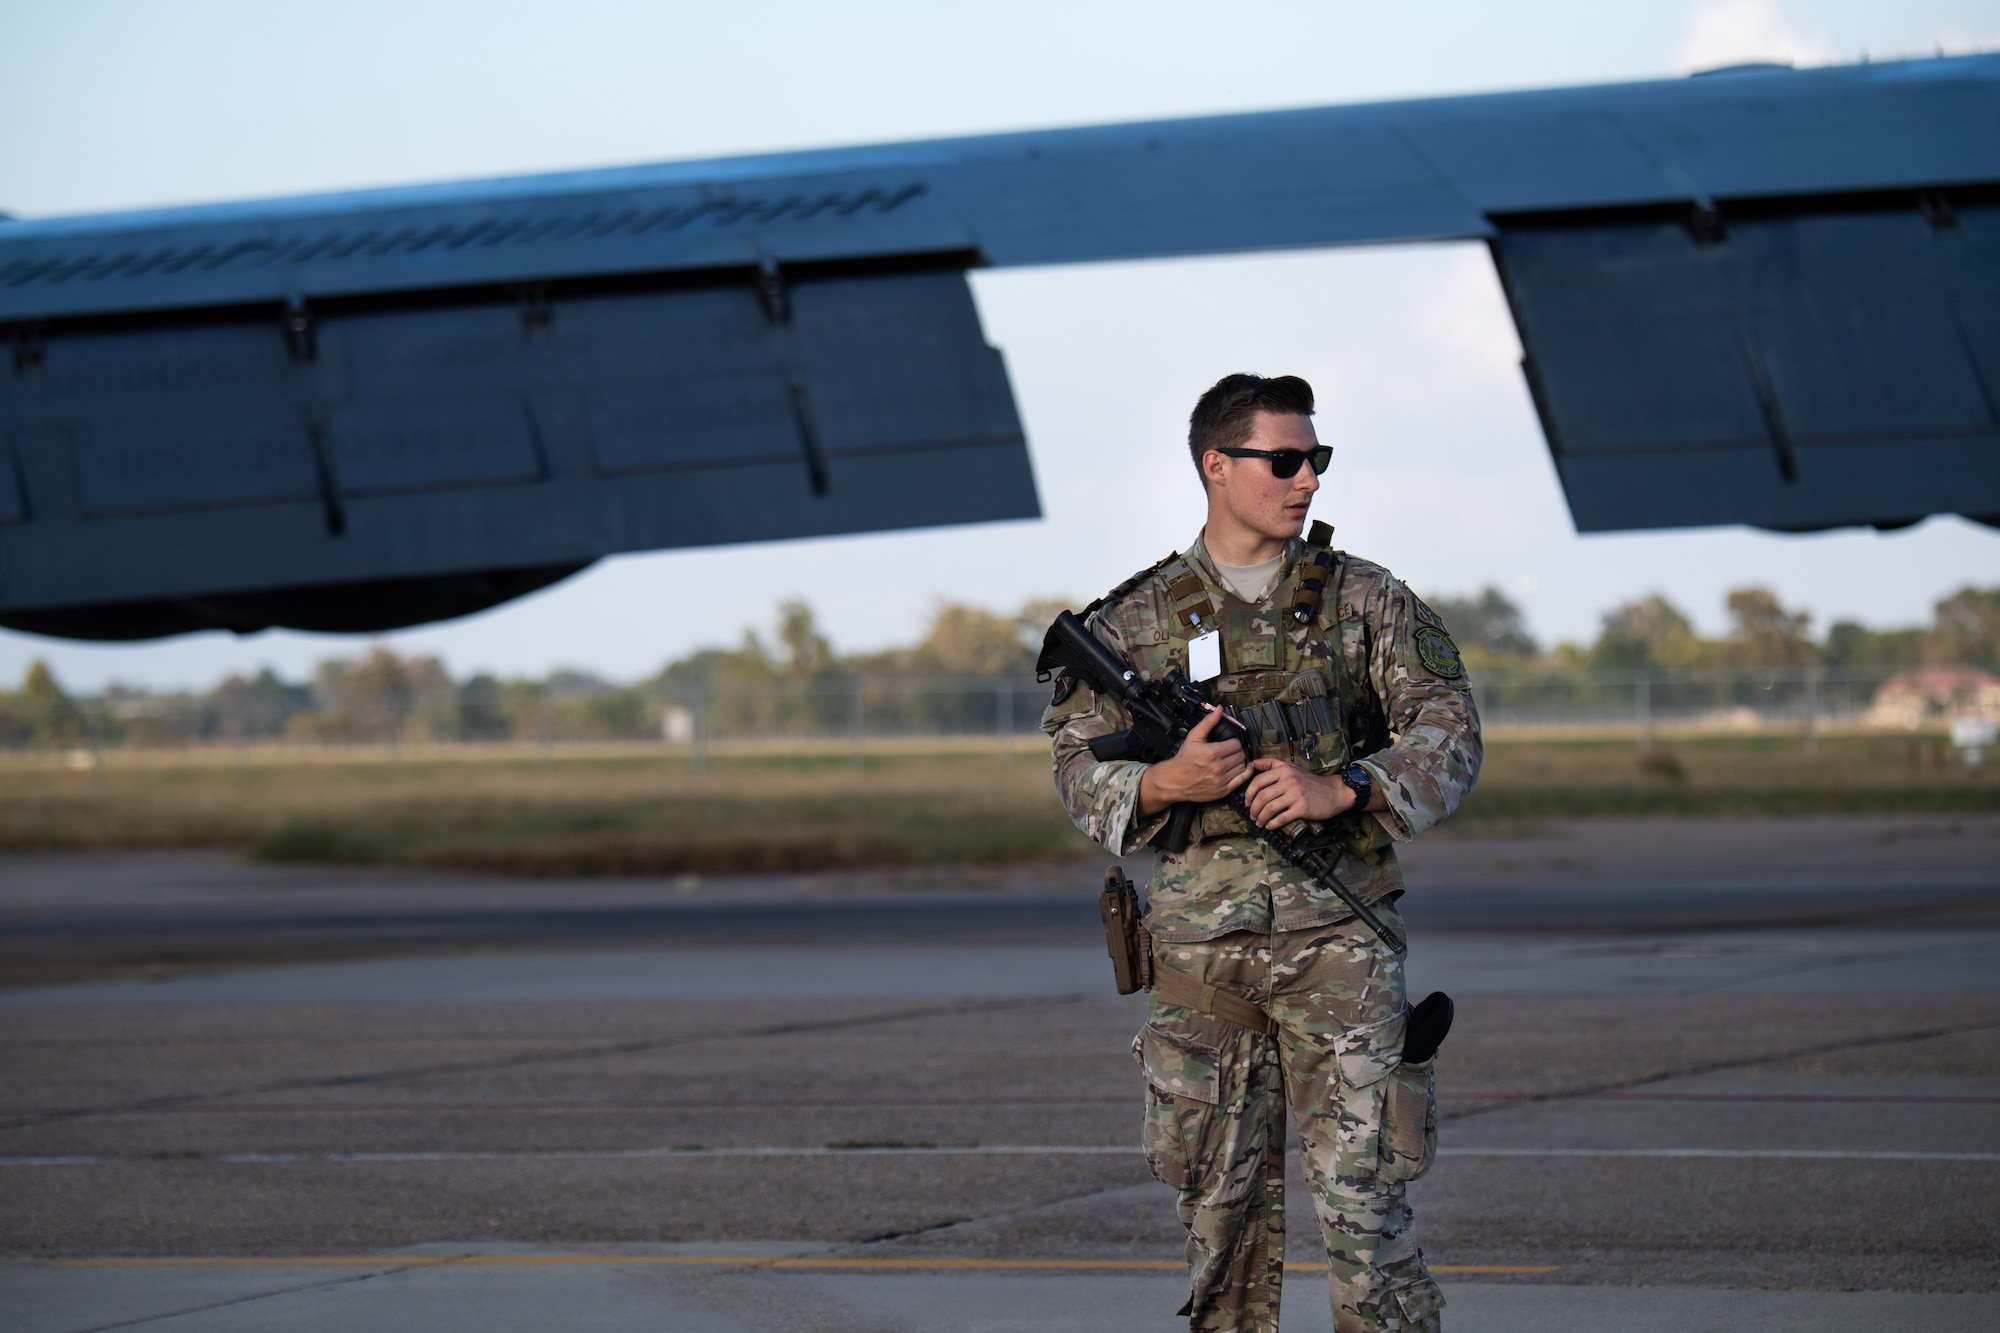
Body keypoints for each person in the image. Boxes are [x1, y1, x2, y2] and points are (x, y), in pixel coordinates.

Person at [1041, 373, 1481, 1332]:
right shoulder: (1137, 619)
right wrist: (1166, 784)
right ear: (1216, 466)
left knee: (1369, 1220)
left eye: (1316, 460)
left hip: (1343, 945)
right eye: (1284, 461)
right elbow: (1076, 770)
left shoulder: (1365, 600)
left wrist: (1348, 786)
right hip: (1205, 961)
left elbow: (1451, 730)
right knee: (1223, 1226)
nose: (1308, 480)